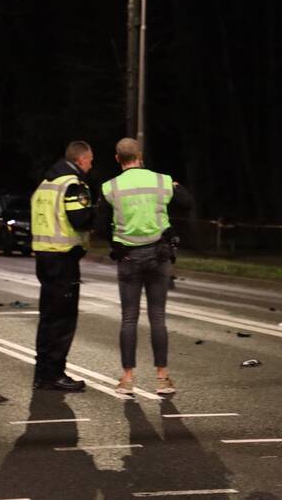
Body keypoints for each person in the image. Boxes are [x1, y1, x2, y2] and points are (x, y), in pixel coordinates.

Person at [97, 138, 194, 396]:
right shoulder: (161, 181)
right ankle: (162, 377)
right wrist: (174, 184)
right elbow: (187, 202)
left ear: (118, 159)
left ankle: (127, 378)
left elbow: (100, 224)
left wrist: (115, 242)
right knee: (158, 318)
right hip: (158, 256)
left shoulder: (110, 187)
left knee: (129, 318)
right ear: (140, 155)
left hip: (128, 257)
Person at [30, 141, 96, 391]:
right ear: (80, 160)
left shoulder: (46, 184)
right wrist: (96, 214)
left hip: (44, 258)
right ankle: (54, 374)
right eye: (90, 160)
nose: (91, 165)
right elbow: (79, 219)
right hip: (63, 259)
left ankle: (42, 372)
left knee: (48, 318)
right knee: (63, 320)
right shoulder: (72, 185)